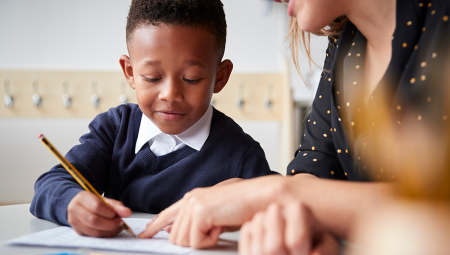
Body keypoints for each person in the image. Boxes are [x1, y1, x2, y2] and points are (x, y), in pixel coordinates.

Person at [139, 0, 450, 253]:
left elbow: (301, 192)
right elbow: (312, 177)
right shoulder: (343, 46)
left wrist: (276, 193)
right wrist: (306, 227)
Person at [30, 0, 276, 238]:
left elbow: (279, 205)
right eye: (151, 77)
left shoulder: (241, 156)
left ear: (220, 77)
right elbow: (50, 185)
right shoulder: (115, 129)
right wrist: (72, 203)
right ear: (130, 73)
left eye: (191, 79)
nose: (170, 95)